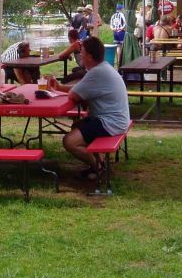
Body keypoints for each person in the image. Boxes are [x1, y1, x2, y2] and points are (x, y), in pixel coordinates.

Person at [48, 37, 130, 179]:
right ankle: (98, 161)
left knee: (69, 141)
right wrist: (60, 87)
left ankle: (98, 167)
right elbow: (80, 88)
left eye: (82, 52)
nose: (80, 55)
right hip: (116, 119)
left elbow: (74, 95)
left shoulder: (96, 73)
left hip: (110, 123)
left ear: (90, 57)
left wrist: (62, 89)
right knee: (77, 126)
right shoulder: (103, 68)